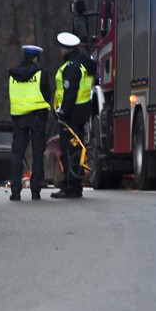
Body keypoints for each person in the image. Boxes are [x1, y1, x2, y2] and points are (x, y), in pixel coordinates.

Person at [52, 32, 93, 199]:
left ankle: (71, 186)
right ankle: (74, 184)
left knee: (69, 150)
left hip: (71, 115)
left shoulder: (71, 67)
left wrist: (62, 113)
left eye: (61, 48)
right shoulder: (82, 64)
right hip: (81, 113)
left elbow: (70, 93)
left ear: (65, 49)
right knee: (76, 149)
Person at [8, 44, 51, 201]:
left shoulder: (13, 74)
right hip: (37, 117)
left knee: (17, 154)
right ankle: (35, 190)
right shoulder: (40, 73)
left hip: (19, 117)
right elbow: (47, 95)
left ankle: (15, 191)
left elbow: (12, 96)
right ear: (35, 58)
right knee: (37, 153)